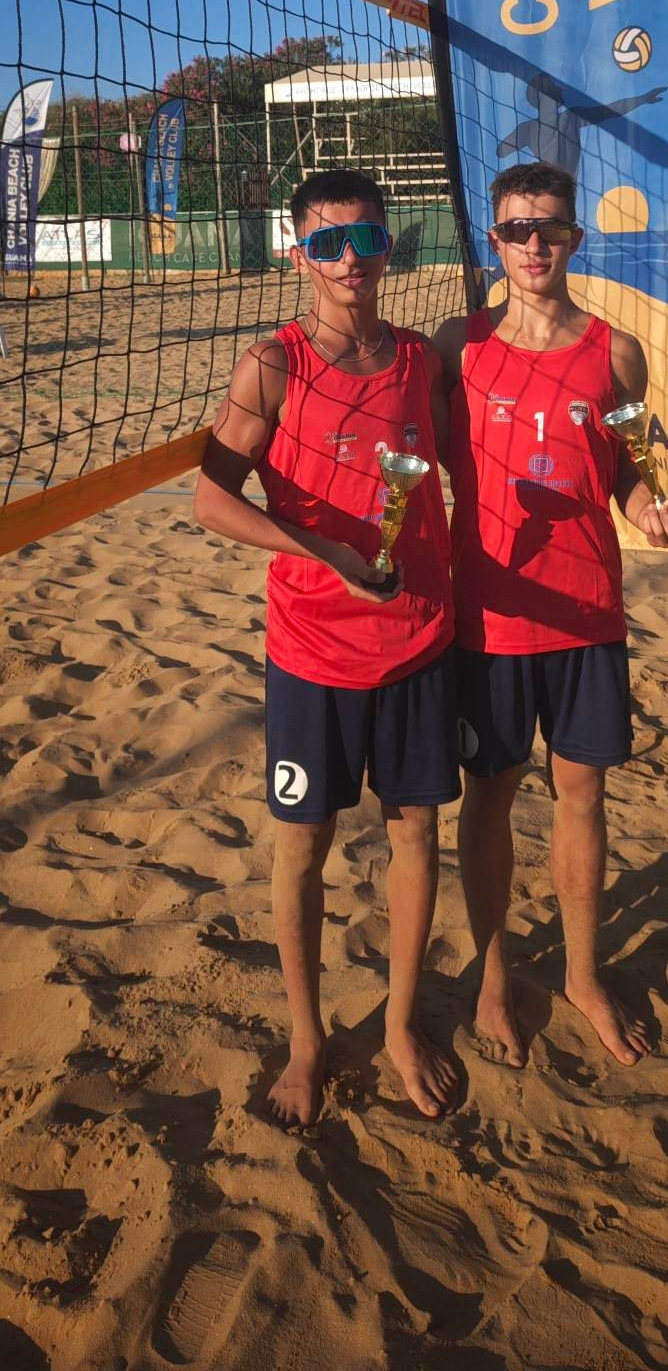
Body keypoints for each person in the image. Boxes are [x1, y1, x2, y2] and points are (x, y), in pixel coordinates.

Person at [193, 170, 460, 1128]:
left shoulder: (420, 359)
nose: (350, 259)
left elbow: (469, 469)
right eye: (328, 242)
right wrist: (325, 555)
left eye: (367, 239)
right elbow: (211, 500)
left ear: (391, 246)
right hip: (313, 647)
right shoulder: (273, 364)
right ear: (297, 253)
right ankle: (307, 1041)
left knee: (415, 833)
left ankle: (399, 1024)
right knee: (303, 847)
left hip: (419, 637)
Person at [435, 160, 668, 1072]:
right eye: (517, 228)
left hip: (588, 615)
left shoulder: (616, 352)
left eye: (550, 227)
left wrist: (652, 511)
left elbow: (633, 469)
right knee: (491, 797)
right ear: (494, 240)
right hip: (492, 621)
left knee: (583, 796)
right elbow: (404, 448)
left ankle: (583, 976)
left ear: (574, 239)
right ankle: (494, 978)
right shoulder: (456, 347)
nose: (534, 243)